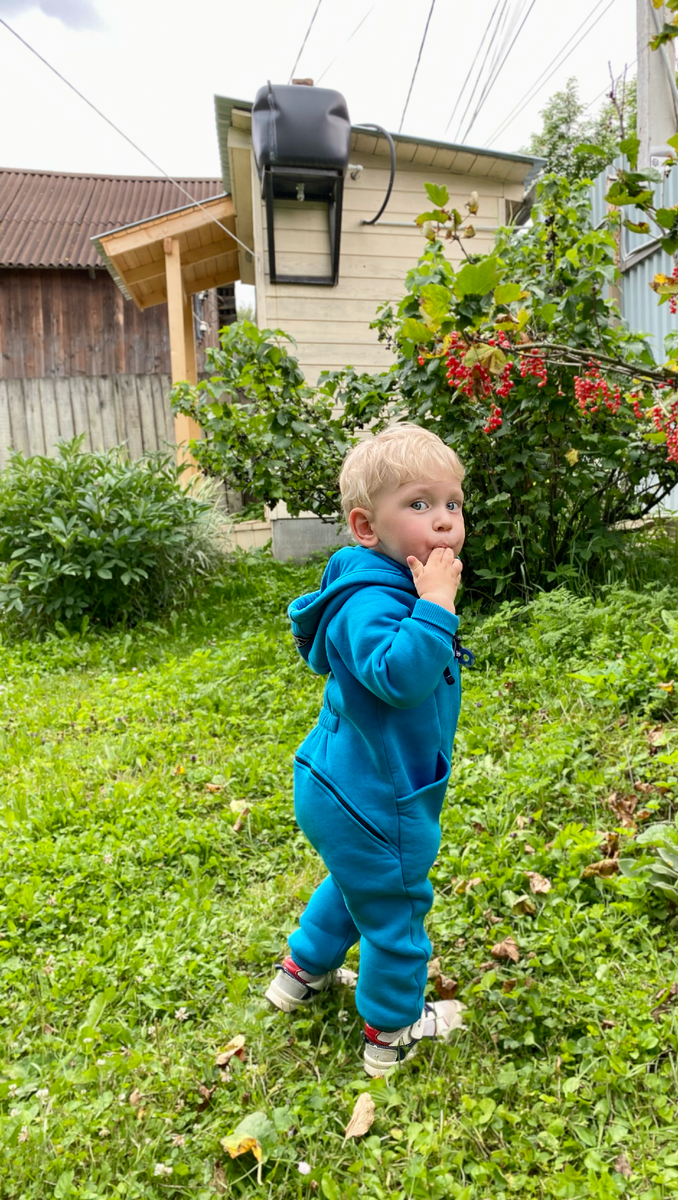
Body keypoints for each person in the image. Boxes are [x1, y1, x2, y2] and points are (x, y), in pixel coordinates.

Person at [265, 424, 472, 1076]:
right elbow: (399, 676)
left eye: (453, 503)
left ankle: (300, 973)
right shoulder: (372, 601)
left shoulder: (376, 583)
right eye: (419, 504)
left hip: (341, 783)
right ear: (365, 525)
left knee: (356, 883)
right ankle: (392, 1030)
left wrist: (426, 599)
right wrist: (436, 606)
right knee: (397, 910)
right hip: (377, 799)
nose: (444, 520)